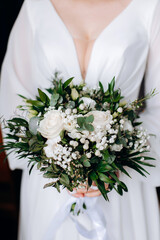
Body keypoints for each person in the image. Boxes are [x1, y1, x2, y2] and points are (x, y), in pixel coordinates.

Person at [0, 0, 160, 239]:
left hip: (122, 185)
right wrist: (55, 160)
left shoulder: (149, 7)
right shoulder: (36, 6)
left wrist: (116, 163)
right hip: (50, 184)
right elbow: (15, 96)